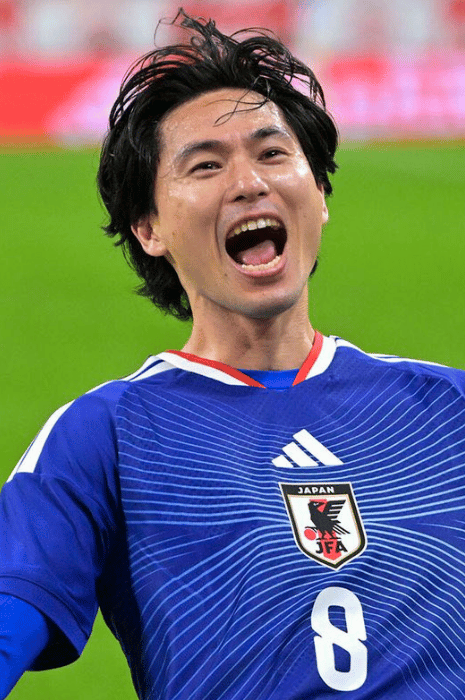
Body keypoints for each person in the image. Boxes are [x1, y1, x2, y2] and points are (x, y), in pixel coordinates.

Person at [1, 9, 464, 700]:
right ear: (149, 227)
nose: (248, 182)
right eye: (207, 165)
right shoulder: (105, 435)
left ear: (319, 194)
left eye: (272, 154)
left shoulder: (446, 407)